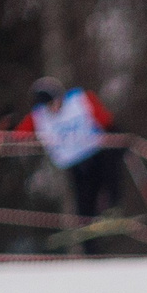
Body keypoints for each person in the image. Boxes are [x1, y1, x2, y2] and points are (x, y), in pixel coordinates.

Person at [17, 77, 126, 223]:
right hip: (74, 161)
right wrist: (8, 130)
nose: (51, 109)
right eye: (47, 106)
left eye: (52, 103)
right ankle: (87, 223)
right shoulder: (39, 115)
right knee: (84, 192)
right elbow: (20, 134)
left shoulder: (78, 100)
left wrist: (115, 132)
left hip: (95, 151)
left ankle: (113, 209)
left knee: (109, 176)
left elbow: (105, 120)